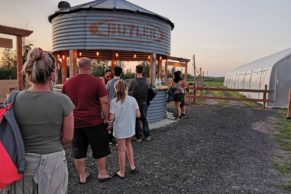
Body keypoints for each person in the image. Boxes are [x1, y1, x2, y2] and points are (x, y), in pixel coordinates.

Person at [6, 47, 75, 194]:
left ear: (29, 72)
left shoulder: (14, 98)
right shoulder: (63, 101)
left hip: (21, 161)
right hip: (53, 161)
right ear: (52, 74)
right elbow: (68, 138)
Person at [62, 57, 112, 183]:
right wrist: (106, 119)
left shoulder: (67, 83)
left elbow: (64, 103)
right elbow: (104, 101)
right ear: (90, 67)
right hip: (94, 122)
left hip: (75, 123)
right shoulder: (96, 82)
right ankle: (102, 173)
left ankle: (82, 177)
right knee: (100, 148)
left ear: (78, 67)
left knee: (78, 150)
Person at [109, 80, 140, 178]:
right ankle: (132, 166)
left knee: (121, 149)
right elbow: (138, 114)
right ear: (126, 88)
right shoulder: (132, 100)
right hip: (130, 128)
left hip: (120, 129)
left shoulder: (114, 102)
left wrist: (109, 122)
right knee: (129, 144)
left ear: (115, 89)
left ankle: (121, 172)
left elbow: (112, 118)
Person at [129, 65, 151, 141]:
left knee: (137, 119)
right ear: (142, 71)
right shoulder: (147, 81)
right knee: (144, 119)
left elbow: (129, 92)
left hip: (135, 103)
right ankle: (147, 135)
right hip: (144, 102)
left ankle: (138, 137)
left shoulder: (133, 81)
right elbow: (149, 90)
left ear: (136, 71)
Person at [106, 66, 123, 144]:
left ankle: (109, 139)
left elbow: (106, 93)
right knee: (119, 122)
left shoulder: (109, 82)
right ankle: (117, 140)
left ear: (114, 72)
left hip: (111, 104)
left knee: (111, 121)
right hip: (120, 104)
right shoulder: (123, 82)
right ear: (121, 73)